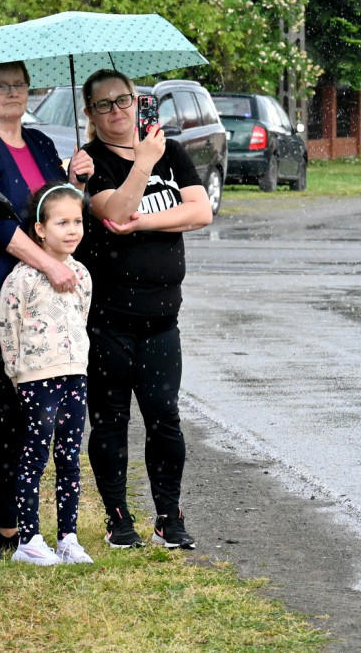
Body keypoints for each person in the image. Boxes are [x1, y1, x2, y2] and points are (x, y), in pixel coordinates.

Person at [0, 60, 95, 561]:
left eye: (19, 84)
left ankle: (9, 523)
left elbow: (54, 212)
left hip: (36, 308)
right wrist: (50, 264)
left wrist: (77, 184)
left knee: (23, 413)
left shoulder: (43, 145)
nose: (11, 93)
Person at [76, 69, 213, 550]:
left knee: (164, 419)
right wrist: (142, 165)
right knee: (110, 421)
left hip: (162, 320)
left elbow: (200, 212)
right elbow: (112, 211)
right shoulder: (88, 164)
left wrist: (141, 224)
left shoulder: (171, 152)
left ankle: (168, 515)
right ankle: (118, 518)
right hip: (108, 322)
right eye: (104, 105)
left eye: (124, 100)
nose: (117, 111)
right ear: (89, 114)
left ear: (138, 101)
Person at [0, 182, 94, 566]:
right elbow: (8, 324)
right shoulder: (22, 278)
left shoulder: (82, 275)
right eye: (62, 222)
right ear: (40, 228)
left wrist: (78, 363)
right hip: (37, 379)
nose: (72, 230)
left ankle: (68, 537)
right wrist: (18, 370)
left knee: (70, 456)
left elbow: (81, 318)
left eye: (78, 221)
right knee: (35, 455)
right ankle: (29, 539)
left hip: (75, 376)